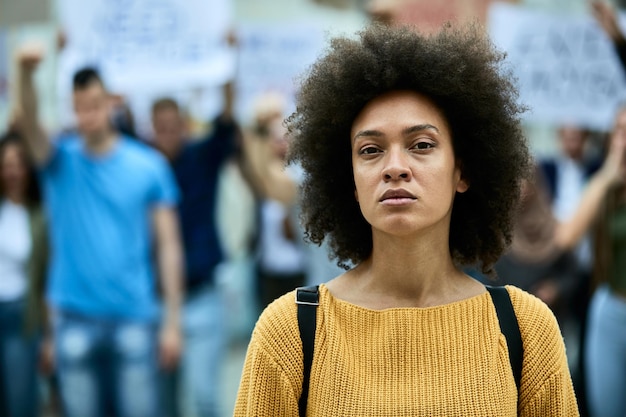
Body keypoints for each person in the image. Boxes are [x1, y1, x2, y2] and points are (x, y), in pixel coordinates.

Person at [234, 23, 580, 416]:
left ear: (462, 172)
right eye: (370, 150)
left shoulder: (526, 328)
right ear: (349, 180)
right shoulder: (288, 333)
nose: (395, 167)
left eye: (421, 145)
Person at [14, 47, 183, 417]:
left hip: (135, 315)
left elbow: (169, 247)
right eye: (78, 106)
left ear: (112, 102)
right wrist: (25, 74)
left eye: (94, 103)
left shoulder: (149, 166)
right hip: (74, 317)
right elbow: (26, 122)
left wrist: (172, 322)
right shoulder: (59, 161)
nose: (87, 114)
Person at [150, 84, 240, 417]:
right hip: (158, 300)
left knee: (205, 397)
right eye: (161, 128)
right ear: (152, 129)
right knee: (164, 401)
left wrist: (226, 67)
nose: (168, 134)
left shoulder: (202, 157)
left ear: (185, 125)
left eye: (174, 126)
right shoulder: (144, 166)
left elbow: (226, 126)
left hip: (203, 294)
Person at [0, 130, 48, 417]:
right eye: (6, 164)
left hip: (20, 314)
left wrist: (50, 338)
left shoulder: (39, 215)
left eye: (18, 163)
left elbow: (46, 277)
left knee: (20, 403)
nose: (12, 171)